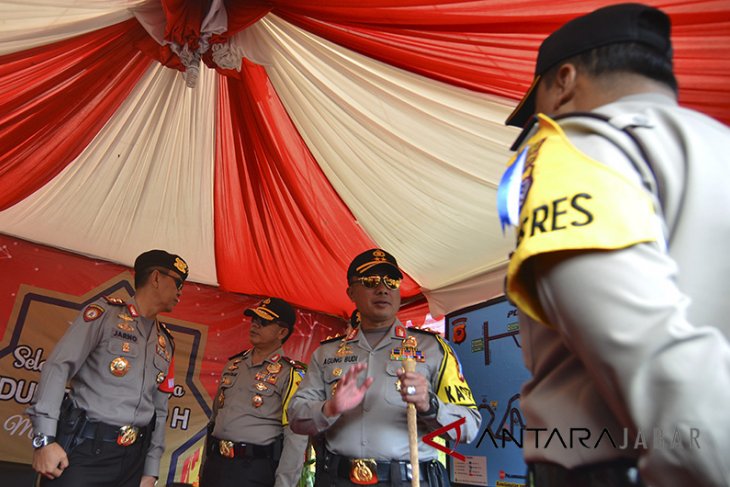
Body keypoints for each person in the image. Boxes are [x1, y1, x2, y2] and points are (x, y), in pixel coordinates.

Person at [500, 4, 730, 486]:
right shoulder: (718, 145)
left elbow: (644, 347)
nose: (540, 121)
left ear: (563, 81)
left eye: (538, 104)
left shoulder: (575, 149)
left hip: (624, 466)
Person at [288, 248, 482, 487]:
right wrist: (330, 407)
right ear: (351, 293)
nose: (383, 288)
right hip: (336, 479)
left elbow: (468, 429)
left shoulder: (433, 349)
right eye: (370, 281)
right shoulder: (326, 353)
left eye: (391, 281)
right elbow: (295, 418)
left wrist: (429, 405)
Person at [27, 249, 188, 487]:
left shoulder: (166, 342)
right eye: (178, 283)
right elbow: (58, 367)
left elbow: (160, 409)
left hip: (133, 461)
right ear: (156, 278)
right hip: (85, 451)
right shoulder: (104, 314)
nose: (180, 292)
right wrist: (45, 440)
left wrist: (150, 470)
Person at [200, 297, 309, 487]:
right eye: (254, 320)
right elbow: (214, 420)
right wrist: (204, 466)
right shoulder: (233, 365)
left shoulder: (290, 374)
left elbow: (295, 436)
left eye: (264, 322)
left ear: (282, 332)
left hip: (253, 469)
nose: (255, 325)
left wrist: (284, 483)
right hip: (216, 464)